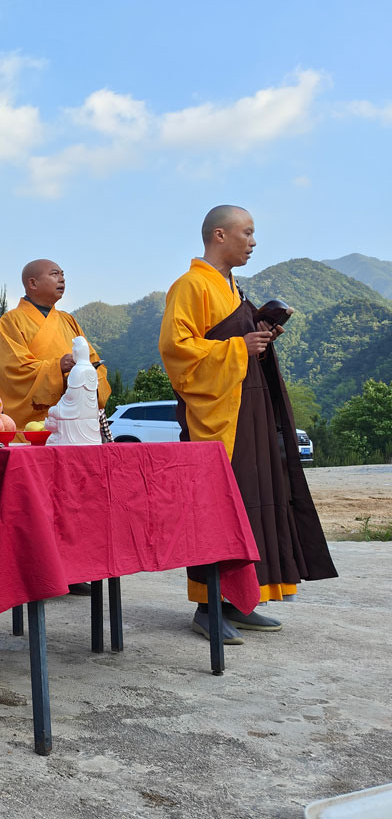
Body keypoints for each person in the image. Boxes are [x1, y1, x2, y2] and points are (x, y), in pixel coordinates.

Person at [159, 205, 337, 643]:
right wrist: (239, 346)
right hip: (216, 420)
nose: (254, 242)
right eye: (248, 233)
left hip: (248, 410)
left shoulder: (232, 289)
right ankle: (207, 605)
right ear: (219, 235)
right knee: (218, 509)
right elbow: (177, 352)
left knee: (256, 501)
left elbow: (225, 342)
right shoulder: (190, 286)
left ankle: (241, 600)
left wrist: (258, 335)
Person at [0, 259, 110, 429]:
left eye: (63, 275)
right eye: (55, 274)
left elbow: (93, 361)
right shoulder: (11, 321)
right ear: (32, 283)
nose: (62, 279)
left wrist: (86, 371)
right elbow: (13, 372)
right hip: (32, 427)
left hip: (75, 421)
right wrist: (57, 367)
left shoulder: (68, 320)